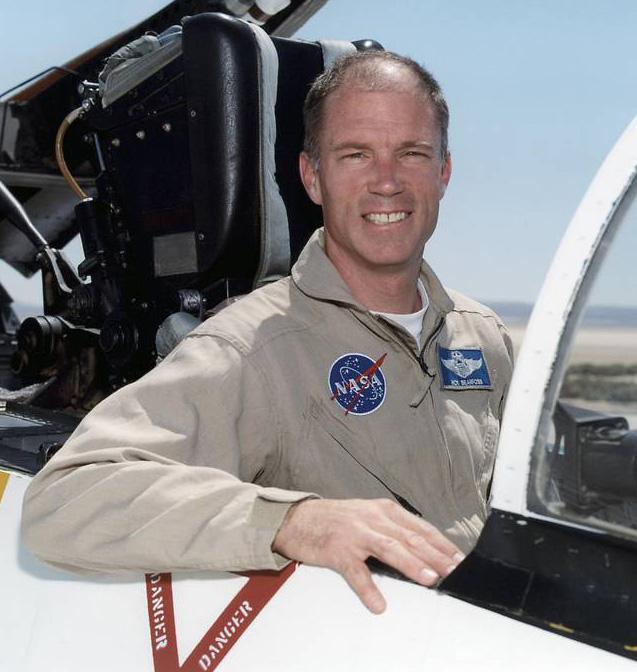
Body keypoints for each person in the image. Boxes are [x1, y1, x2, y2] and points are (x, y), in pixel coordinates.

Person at [22, 50, 513, 615]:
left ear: (443, 172)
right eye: (355, 155)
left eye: (412, 154)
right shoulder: (254, 348)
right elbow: (64, 502)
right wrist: (291, 519)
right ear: (312, 176)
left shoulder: (483, 338)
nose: (386, 182)